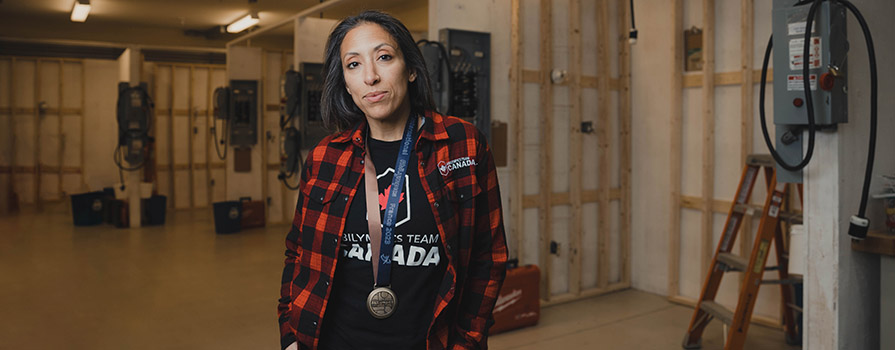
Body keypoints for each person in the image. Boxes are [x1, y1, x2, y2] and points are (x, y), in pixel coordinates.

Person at [277, 10, 508, 350]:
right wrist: (290, 335)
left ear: (411, 69)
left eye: (383, 57)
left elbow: (488, 257)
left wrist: (467, 341)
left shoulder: (464, 145)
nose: (370, 76)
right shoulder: (325, 157)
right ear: (344, 80)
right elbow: (297, 251)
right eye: (353, 64)